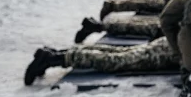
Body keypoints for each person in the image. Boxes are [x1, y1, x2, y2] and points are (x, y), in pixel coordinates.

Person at [24, 37, 179, 86]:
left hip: (178, 43)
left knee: (121, 53)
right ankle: (54, 58)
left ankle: (58, 54)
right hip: (178, 48)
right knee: (120, 59)